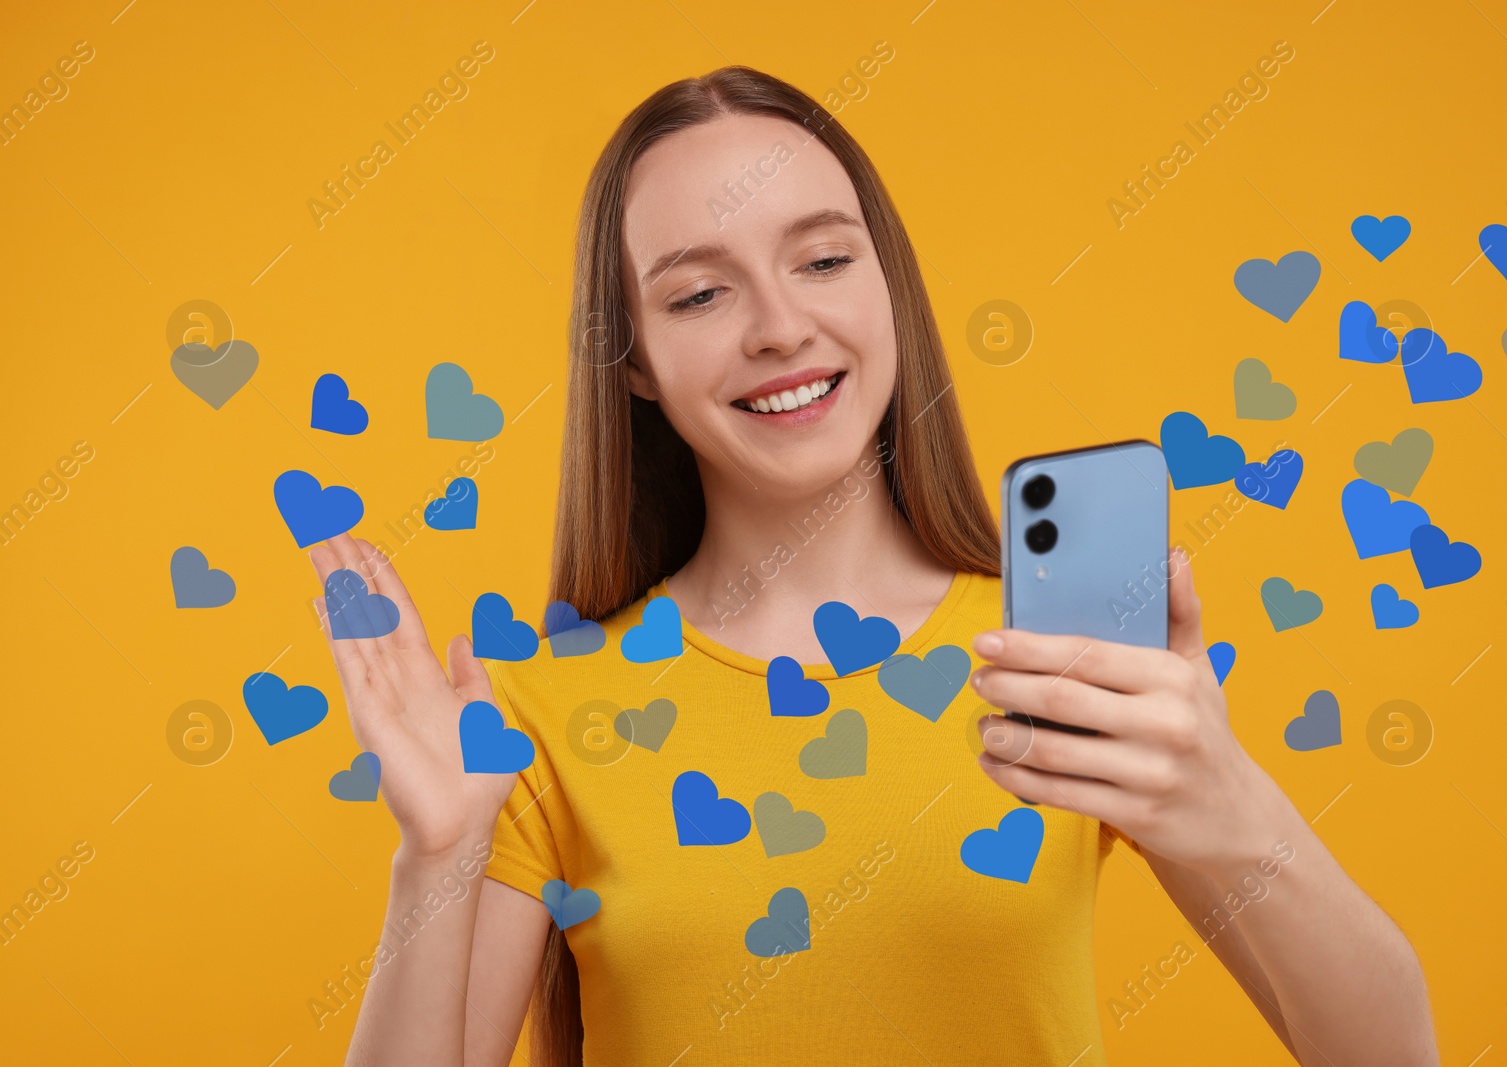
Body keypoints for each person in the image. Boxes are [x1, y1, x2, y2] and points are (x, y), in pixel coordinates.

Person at [306, 65, 1439, 1067]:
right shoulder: (540, 714)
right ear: (635, 362)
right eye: (700, 292)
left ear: (886, 284)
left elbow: (1389, 1051)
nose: (780, 325)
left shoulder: (1059, 662)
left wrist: (1224, 796)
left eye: (824, 258)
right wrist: (439, 856)